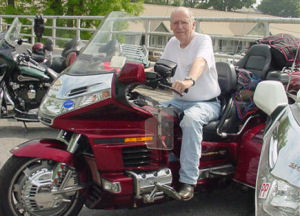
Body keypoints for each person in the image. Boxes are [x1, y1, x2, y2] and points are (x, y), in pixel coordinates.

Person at [160, 7, 221, 201]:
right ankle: (164, 164)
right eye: (176, 23)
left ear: (193, 24)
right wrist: (131, 71)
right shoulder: (172, 43)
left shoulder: (203, 40)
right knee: (153, 113)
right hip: (179, 101)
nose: (180, 27)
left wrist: (189, 81)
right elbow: (162, 66)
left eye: (184, 22)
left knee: (190, 120)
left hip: (207, 103)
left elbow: (200, 62)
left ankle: (188, 181)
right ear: (171, 26)